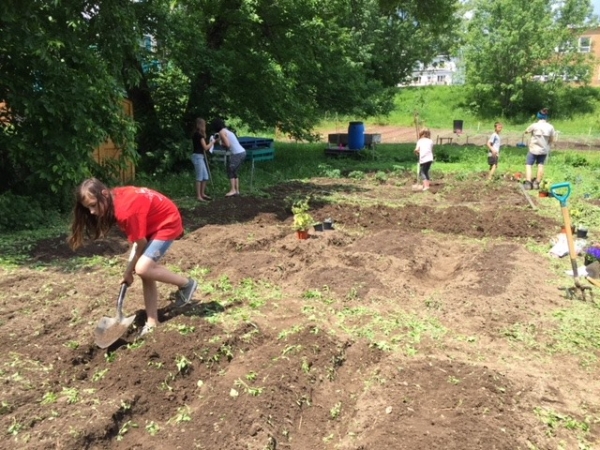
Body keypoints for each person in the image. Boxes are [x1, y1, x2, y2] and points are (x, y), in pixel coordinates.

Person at [68, 178, 198, 337]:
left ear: (104, 193)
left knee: (143, 268)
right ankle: (152, 322)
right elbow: (138, 242)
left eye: (93, 205)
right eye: (88, 208)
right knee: (145, 270)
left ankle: (186, 284)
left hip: (166, 222)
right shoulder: (115, 198)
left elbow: (141, 246)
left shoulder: (125, 211)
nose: (92, 212)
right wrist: (128, 272)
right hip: (152, 223)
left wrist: (129, 271)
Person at [211, 118, 246, 197]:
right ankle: (237, 191)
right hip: (242, 152)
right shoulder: (226, 131)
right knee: (234, 171)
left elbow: (227, 144)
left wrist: (220, 143)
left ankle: (233, 190)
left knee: (230, 170)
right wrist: (218, 140)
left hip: (237, 153)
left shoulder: (221, 132)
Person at [523, 108, 556, 190]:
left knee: (528, 164)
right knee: (540, 165)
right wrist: (548, 144)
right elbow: (552, 139)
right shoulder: (550, 127)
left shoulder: (534, 125)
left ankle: (528, 183)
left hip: (533, 149)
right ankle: (536, 183)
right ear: (546, 117)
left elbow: (526, 132)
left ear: (538, 116)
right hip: (544, 150)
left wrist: (529, 138)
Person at [191, 118, 213, 201]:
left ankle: (202, 193)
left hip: (200, 156)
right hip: (197, 157)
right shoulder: (199, 136)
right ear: (201, 126)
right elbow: (205, 147)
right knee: (199, 177)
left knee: (205, 176)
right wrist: (212, 142)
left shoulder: (197, 135)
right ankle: (199, 196)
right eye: (204, 125)